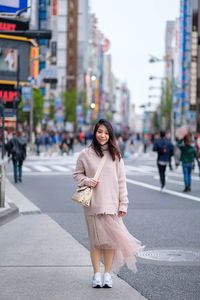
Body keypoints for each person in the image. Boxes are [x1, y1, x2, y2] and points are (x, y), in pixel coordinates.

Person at [73, 119, 144, 289]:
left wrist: (123, 204)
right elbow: (76, 174)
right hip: (92, 203)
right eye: (100, 131)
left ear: (110, 135)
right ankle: (96, 274)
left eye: (106, 132)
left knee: (111, 242)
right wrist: (86, 180)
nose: (103, 135)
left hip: (111, 203)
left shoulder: (116, 155)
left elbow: (122, 182)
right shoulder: (85, 154)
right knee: (95, 242)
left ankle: (108, 275)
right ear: (95, 132)